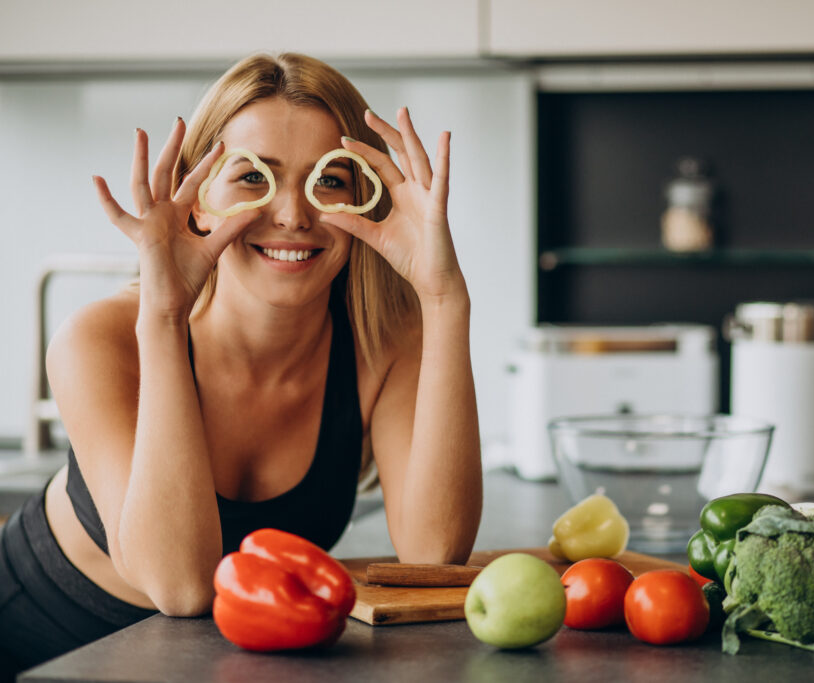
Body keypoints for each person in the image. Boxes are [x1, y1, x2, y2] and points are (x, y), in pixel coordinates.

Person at [0, 52, 482, 677]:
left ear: (363, 206)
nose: (292, 214)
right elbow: (181, 588)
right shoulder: (100, 339)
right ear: (196, 201)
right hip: (37, 643)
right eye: (253, 177)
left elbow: (435, 556)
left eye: (328, 180)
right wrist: (164, 315)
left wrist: (444, 300)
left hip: (218, 661)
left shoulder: (383, 343)